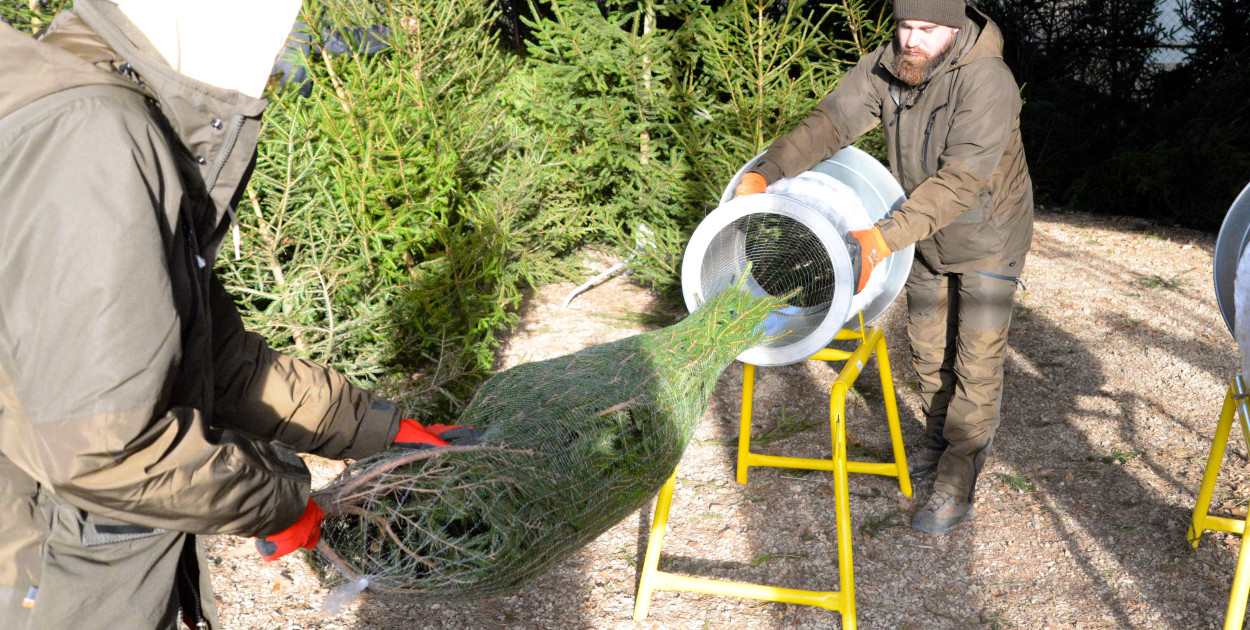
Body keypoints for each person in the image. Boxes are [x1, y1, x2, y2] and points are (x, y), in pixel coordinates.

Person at [0, 1, 475, 627]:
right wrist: (282, 501)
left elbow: (212, 357)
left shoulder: (91, 103)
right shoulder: (93, 133)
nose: (277, 58)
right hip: (56, 577)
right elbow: (103, 451)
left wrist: (372, 427)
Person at [734, 0, 1033, 536]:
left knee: (977, 361)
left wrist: (880, 240)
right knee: (925, 348)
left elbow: (961, 182)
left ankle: (956, 482)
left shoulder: (989, 82)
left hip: (989, 233)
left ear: (956, 27)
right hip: (920, 232)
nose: (911, 40)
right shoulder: (890, 64)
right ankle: (937, 442)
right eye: (904, 26)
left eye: (926, 30)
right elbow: (830, 123)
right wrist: (768, 170)